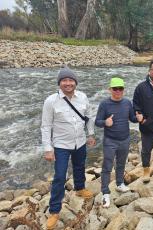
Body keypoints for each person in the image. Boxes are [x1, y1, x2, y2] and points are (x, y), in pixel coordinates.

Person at [41, 65, 96, 229]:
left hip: (80, 141)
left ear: (75, 82)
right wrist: (47, 148)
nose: (68, 83)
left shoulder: (83, 97)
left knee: (80, 166)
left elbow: (89, 117)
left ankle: (80, 188)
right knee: (59, 176)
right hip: (60, 145)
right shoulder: (51, 101)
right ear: (59, 83)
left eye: (70, 80)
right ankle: (54, 211)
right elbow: (46, 126)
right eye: (64, 80)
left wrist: (91, 134)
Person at [95, 76, 143, 208]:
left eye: (120, 88)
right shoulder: (104, 104)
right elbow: (97, 122)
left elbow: (132, 118)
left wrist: (138, 118)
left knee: (121, 164)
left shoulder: (127, 103)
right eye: (115, 89)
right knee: (107, 167)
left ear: (123, 90)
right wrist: (105, 122)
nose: (117, 91)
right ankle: (105, 192)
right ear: (110, 89)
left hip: (125, 139)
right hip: (110, 140)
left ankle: (120, 184)